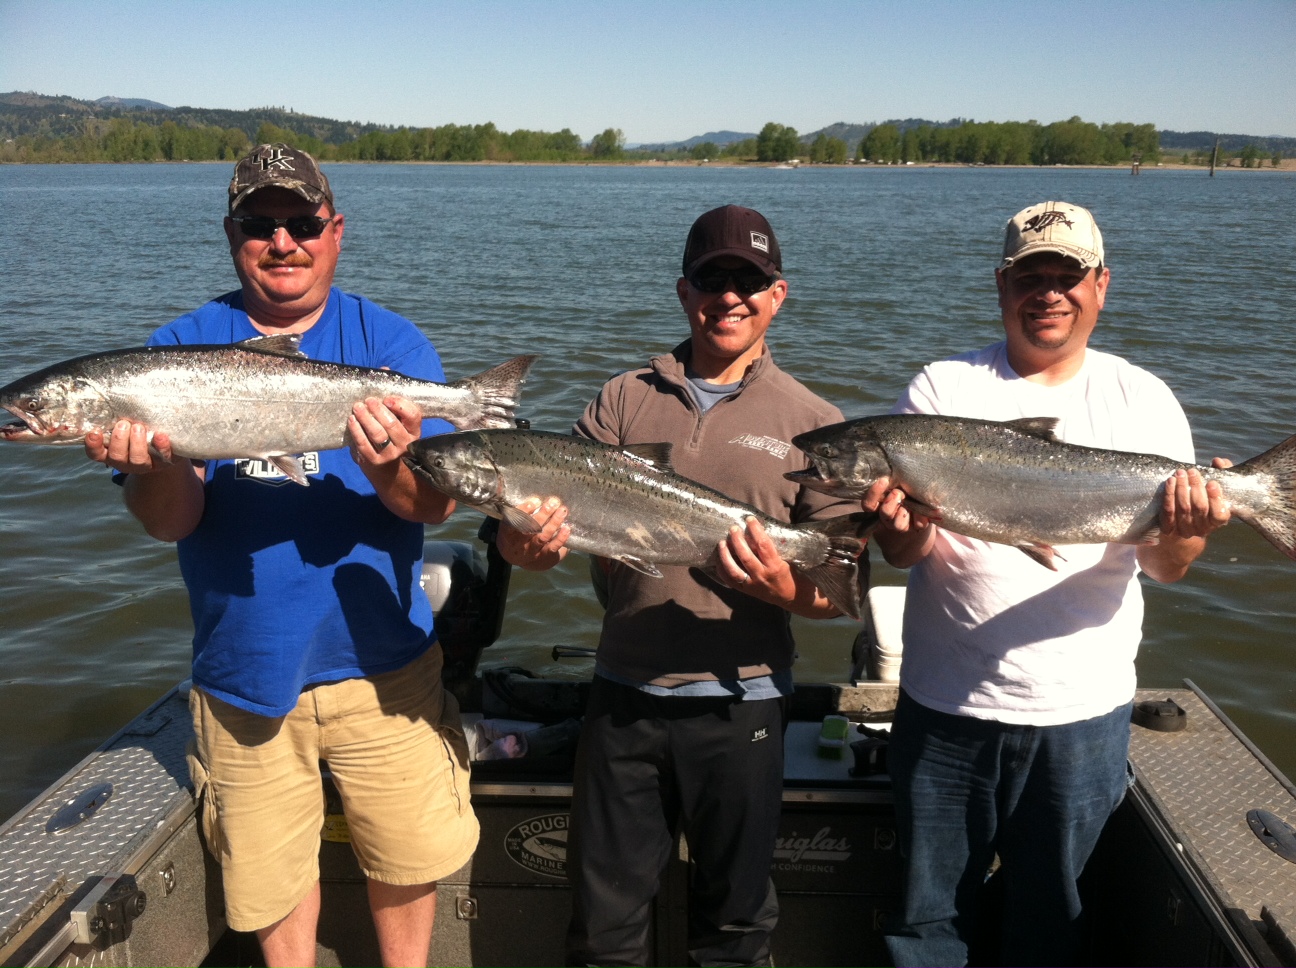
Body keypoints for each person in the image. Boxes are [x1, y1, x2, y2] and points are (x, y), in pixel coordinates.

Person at [84, 143, 479, 968]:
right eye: (260, 226)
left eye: (301, 223)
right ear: (231, 234)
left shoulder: (392, 343)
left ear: (336, 231)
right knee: (270, 883)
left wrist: (387, 468)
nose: (283, 242)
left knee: (408, 867)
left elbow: (434, 504)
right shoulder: (176, 351)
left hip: (387, 670)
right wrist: (154, 463)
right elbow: (173, 523)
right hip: (244, 677)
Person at [864, 200, 1232, 967]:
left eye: (1067, 276)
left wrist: (1189, 526)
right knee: (926, 924)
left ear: (1101, 285)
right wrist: (898, 528)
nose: (1049, 293)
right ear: (1002, 286)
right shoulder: (940, 389)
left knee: (1051, 921)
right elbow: (906, 553)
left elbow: (1167, 566)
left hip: (1082, 716)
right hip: (945, 709)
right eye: (1031, 276)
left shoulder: (1143, 400)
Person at [497, 204, 863, 968]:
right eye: (712, 278)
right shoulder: (621, 400)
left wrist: (781, 589)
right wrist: (523, 539)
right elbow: (539, 546)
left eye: (749, 280)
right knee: (602, 932)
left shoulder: (815, 422)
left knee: (734, 930)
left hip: (745, 702)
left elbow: (836, 593)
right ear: (683, 290)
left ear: (779, 294)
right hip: (624, 696)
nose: (730, 296)